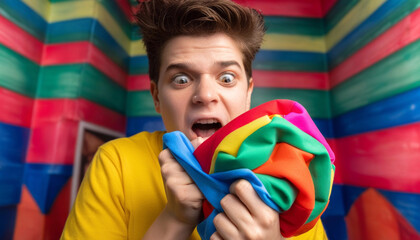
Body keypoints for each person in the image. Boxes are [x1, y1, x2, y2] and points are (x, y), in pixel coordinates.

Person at [60, 0, 329, 239]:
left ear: (248, 93)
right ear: (156, 96)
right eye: (181, 79)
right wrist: (174, 219)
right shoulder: (116, 163)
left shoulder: (293, 171)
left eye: (226, 78)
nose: (205, 95)